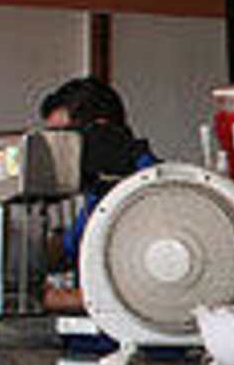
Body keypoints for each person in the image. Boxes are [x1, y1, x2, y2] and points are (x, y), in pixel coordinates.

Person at [39, 77, 157, 267]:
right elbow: (71, 247)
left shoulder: (157, 189)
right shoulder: (101, 188)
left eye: (63, 138)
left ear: (101, 132)